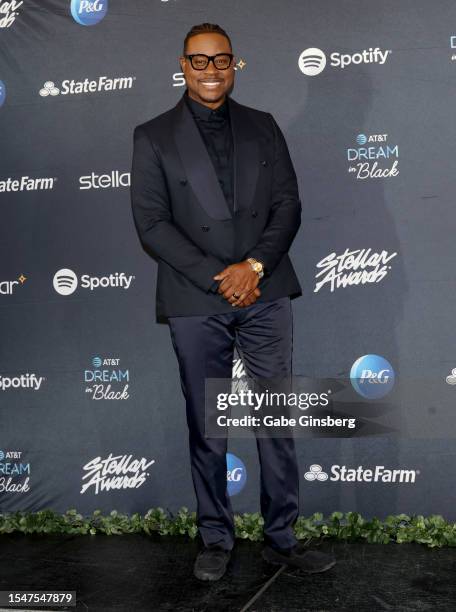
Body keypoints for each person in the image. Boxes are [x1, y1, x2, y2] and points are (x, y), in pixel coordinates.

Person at [130, 22, 336, 581]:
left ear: (235, 64)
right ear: (183, 65)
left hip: (265, 289)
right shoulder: (152, 136)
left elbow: (288, 205)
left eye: (221, 60)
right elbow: (152, 223)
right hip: (197, 295)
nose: (211, 70)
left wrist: (255, 267)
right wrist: (222, 276)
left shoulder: (263, 126)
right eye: (200, 61)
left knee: (275, 416)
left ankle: (281, 537)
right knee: (206, 422)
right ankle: (216, 538)